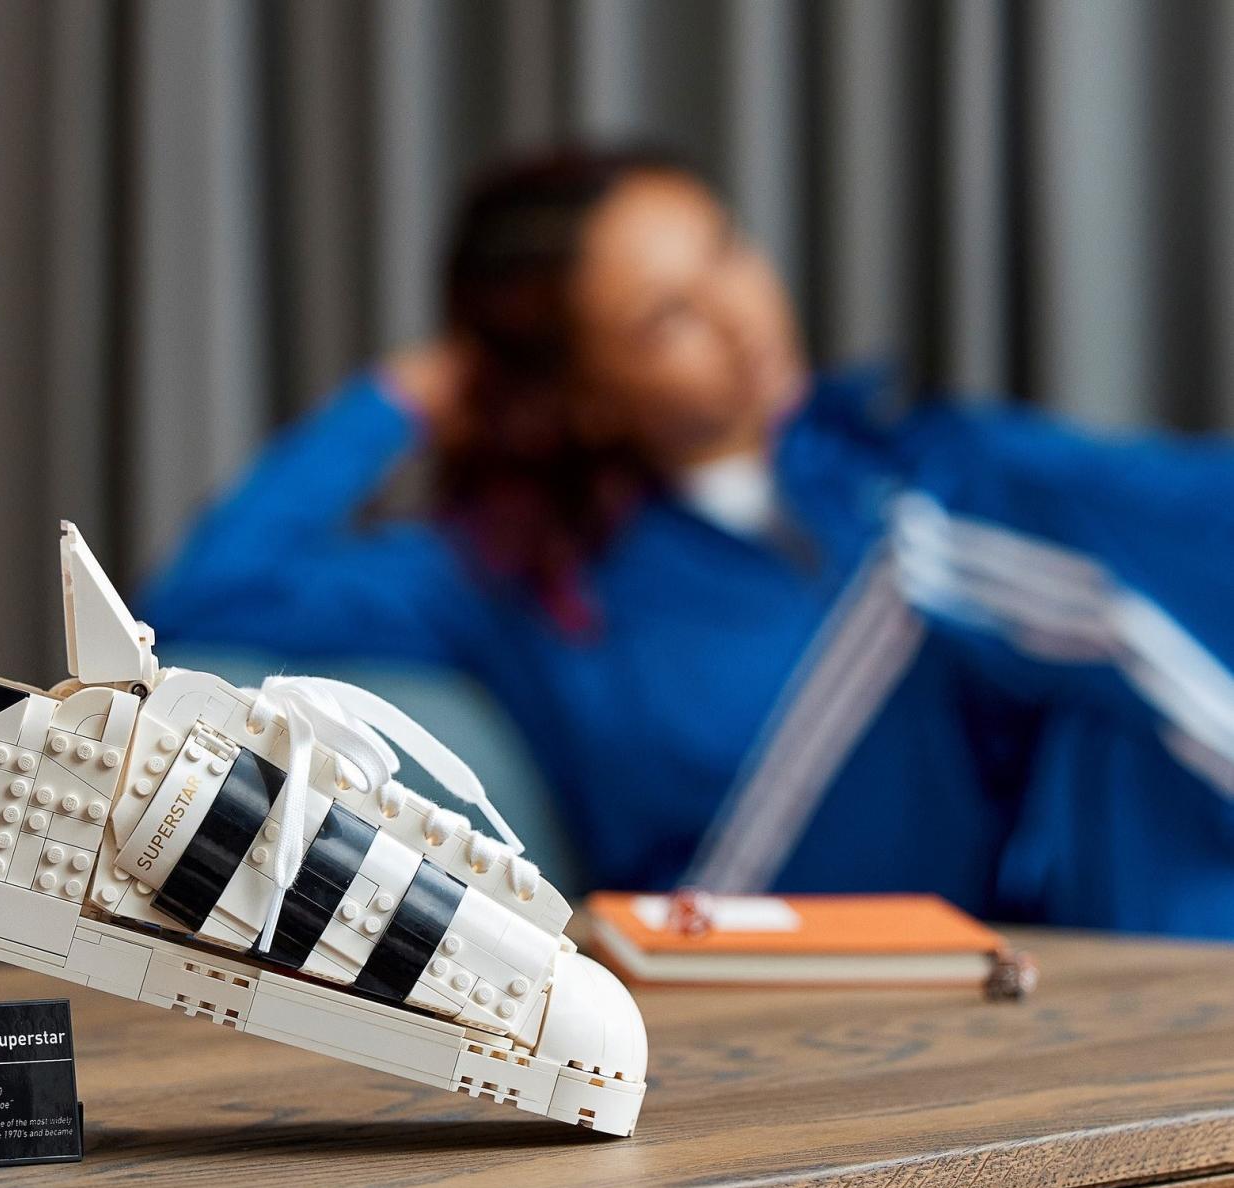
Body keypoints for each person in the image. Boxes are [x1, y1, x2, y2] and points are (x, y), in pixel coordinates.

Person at [138, 146, 1234, 936]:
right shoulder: (502, 576)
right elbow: (200, 595)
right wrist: (409, 395)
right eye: (667, 317)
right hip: (745, 939)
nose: (741, 317)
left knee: (1066, 577)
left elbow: (1179, 503)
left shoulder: (891, 465)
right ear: (582, 392)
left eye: (726, 252)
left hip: (1008, 927)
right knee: (965, 554)